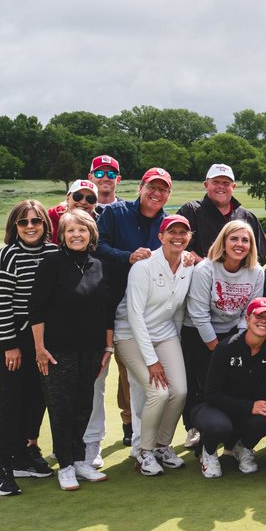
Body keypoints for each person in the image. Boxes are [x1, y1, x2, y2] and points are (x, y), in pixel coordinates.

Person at [29, 209, 114, 490]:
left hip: (90, 350)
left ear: (91, 234)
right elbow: (36, 309)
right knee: (62, 408)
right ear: (62, 236)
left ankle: (79, 461)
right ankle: (65, 465)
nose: (76, 235)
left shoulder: (97, 265)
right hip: (57, 351)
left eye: (82, 230)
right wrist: (40, 348)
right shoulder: (51, 262)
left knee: (83, 406)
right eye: (70, 231)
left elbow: (106, 311)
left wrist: (108, 347)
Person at [96, 167, 179, 451]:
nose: (157, 193)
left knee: (154, 386)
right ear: (140, 187)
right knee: (128, 381)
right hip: (114, 310)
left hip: (153, 315)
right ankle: (130, 442)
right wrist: (127, 257)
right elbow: (98, 247)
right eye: (152, 187)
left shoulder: (168, 223)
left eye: (163, 189)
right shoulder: (115, 214)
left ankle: (151, 442)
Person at [0, 200, 59, 495]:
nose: (30, 227)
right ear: (14, 226)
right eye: (23, 222)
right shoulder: (6, 257)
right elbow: (1, 306)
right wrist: (11, 347)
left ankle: (24, 455)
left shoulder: (55, 253)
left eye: (36, 221)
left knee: (36, 397)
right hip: (7, 339)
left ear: (45, 225)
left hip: (39, 338)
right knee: (9, 401)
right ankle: (5, 467)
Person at [114, 214, 195, 475]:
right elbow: (135, 315)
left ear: (189, 237)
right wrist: (152, 361)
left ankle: (162, 445)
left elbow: (179, 311)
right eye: (172, 232)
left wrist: (176, 347)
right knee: (158, 392)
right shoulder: (143, 267)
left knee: (180, 391)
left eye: (183, 232)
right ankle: (144, 452)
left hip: (165, 333)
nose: (178, 236)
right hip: (129, 335)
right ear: (160, 237)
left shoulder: (188, 266)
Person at [180, 220, 265, 450]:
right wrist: (217, 348)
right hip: (198, 331)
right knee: (202, 384)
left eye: (245, 240)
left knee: (232, 382)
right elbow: (198, 313)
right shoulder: (206, 268)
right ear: (223, 242)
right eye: (234, 239)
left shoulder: (256, 271)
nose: (240, 244)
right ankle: (195, 428)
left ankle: (231, 435)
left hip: (233, 331)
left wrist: (236, 342)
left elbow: (250, 311)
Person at [195, 297, 266, 477]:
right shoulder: (226, 348)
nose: (264, 321)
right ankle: (208, 451)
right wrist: (249, 406)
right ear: (247, 318)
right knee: (218, 426)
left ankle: (242, 447)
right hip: (213, 407)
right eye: (259, 315)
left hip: (245, 408)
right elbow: (212, 394)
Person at [82, 154, 126, 459]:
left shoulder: (125, 211)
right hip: (89, 309)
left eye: (111, 172)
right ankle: (90, 440)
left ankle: (131, 428)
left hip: (124, 304)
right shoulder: (77, 210)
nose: (105, 176)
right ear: (91, 175)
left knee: (132, 374)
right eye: (100, 171)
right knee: (94, 377)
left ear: (118, 179)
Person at [175, 163, 266, 259]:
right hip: (199, 273)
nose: (221, 186)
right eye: (215, 182)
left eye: (226, 183)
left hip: (239, 273)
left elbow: (260, 255)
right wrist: (204, 267)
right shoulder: (190, 211)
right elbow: (180, 246)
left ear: (233, 186)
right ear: (206, 184)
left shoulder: (247, 217)